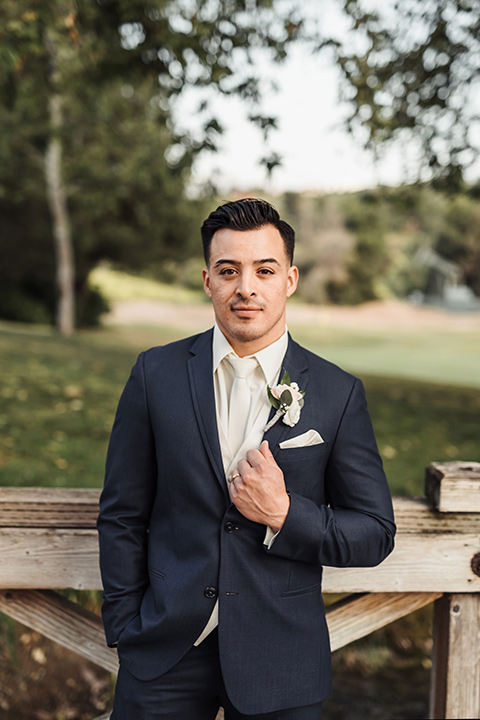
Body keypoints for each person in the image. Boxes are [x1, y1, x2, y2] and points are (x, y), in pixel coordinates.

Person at [97, 198, 396, 719]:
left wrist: (284, 514)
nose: (246, 287)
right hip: (164, 652)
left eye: (264, 269)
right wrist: (126, 624)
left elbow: (374, 532)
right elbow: (122, 513)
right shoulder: (155, 374)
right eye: (228, 270)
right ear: (208, 280)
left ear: (291, 279)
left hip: (281, 661)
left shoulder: (336, 393)